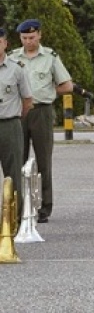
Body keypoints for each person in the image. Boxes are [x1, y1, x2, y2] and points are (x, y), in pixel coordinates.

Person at [10, 18, 75, 224]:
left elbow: (67, 85)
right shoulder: (12, 58)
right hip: (18, 112)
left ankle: (44, 207)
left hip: (41, 111)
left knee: (43, 160)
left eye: (31, 37)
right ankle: (17, 206)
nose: (28, 41)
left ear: (39, 35)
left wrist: (49, 91)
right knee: (16, 160)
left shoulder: (50, 57)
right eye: (24, 38)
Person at [0, 27, 33, 218]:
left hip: (9, 125)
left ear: (5, 43)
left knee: (13, 175)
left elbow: (27, 100)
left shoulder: (16, 68)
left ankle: (15, 219)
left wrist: (15, 117)